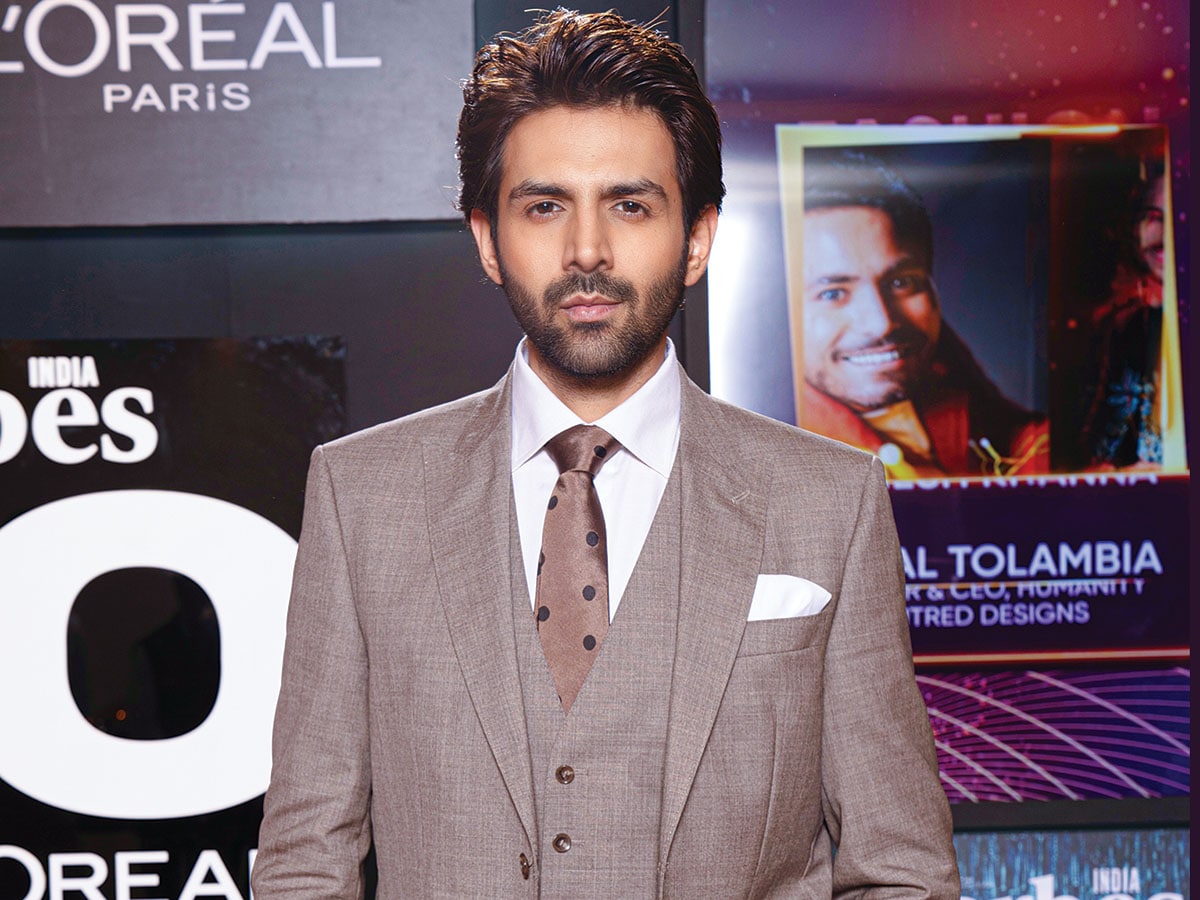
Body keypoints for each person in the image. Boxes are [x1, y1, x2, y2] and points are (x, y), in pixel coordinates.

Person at [253, 10, 958, 898]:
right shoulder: (362, 495)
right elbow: (306, 863)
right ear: (487, 240)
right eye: (545, 206)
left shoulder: (829, 499)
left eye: (630, 205)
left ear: (697, 238)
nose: (587, 251)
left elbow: (900, 870)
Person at [799, 149, 1048, 479]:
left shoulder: (949, 371)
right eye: (832, 293)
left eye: (901, 283)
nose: (881, 323)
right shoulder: (783, 455)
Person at [1081, 160, 1167, 470]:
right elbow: (1102, 447)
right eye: (1153, 217)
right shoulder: (1129, 328)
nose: (1165, 232)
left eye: (1181, 216)